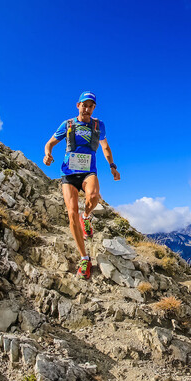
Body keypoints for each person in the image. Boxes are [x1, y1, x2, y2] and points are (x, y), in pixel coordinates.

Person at [43, 91, 120, 279]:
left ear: (94, 108)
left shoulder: (98, 125)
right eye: (84, 105)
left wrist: (112, 167)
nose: (87, 108)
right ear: (78, 106)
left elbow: (105, 147)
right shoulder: (68, 125)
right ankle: (84, 257)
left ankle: (86, 217)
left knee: (93, 197)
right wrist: (47, 154)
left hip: (88, 171)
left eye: (91, 106)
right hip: (68, 173)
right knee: (71, 213)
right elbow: (50, 143)